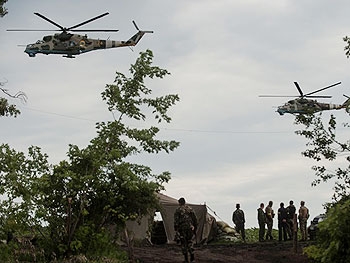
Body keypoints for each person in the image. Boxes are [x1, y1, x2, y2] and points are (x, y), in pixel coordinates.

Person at [174, 197, 198, 263]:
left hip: (182, 228)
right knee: (190, 242)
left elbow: (176, 221)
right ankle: (192, 258)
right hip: (190, 228)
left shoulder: (178, 210)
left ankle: (186, 259)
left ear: (179, 203)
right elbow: (195, 219)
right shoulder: (190, 209)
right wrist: (195, 227)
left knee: (183, 243)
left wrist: (176, 229)